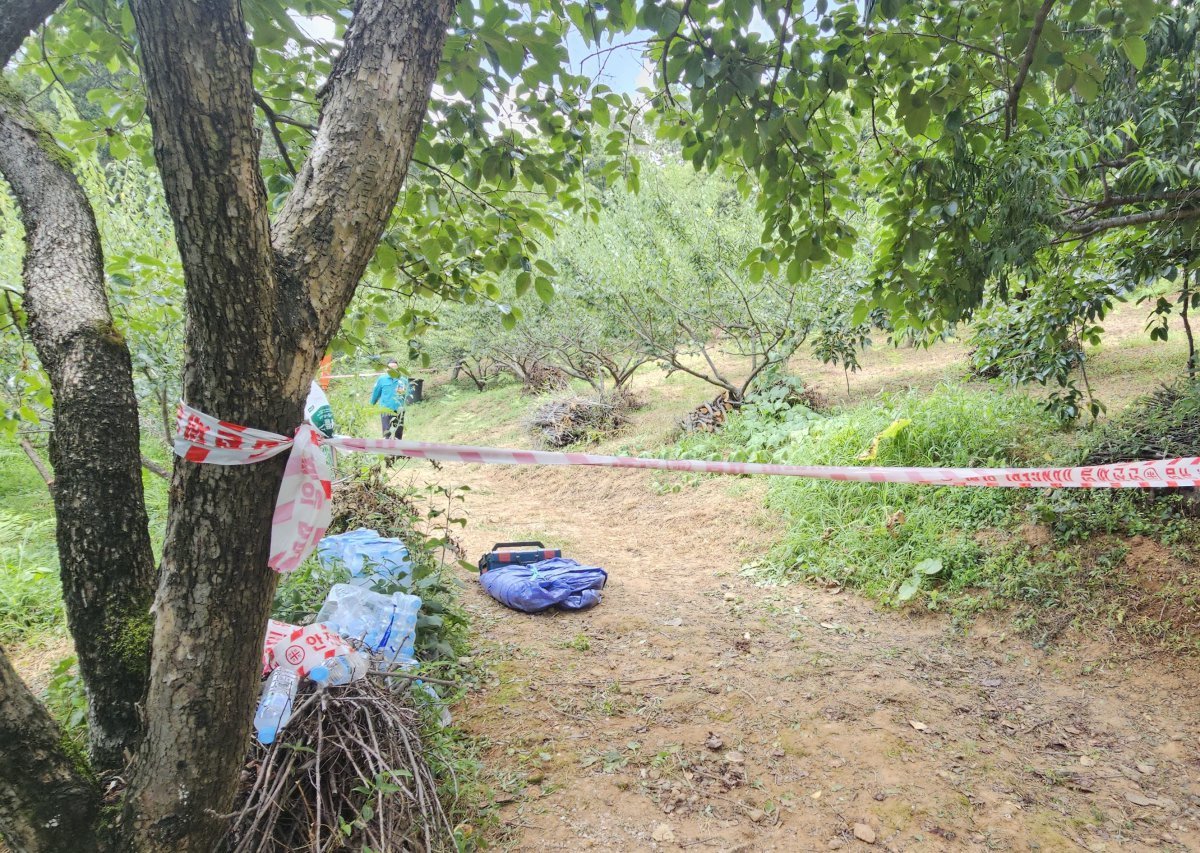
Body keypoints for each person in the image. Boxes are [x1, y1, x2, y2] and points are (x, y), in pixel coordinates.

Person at [370, 360, 411, 441]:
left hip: (398, 410)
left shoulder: (403, 381)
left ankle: (397, 452)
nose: (392, 369)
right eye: (390, 367)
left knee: (398, 434)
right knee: (387, 434)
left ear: (398, 369)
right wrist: (372, 404)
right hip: (385, 409)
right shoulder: (382, 379)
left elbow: (406, 394)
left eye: (394, 367)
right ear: (387, 369)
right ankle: (387, 452)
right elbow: (376, 392)